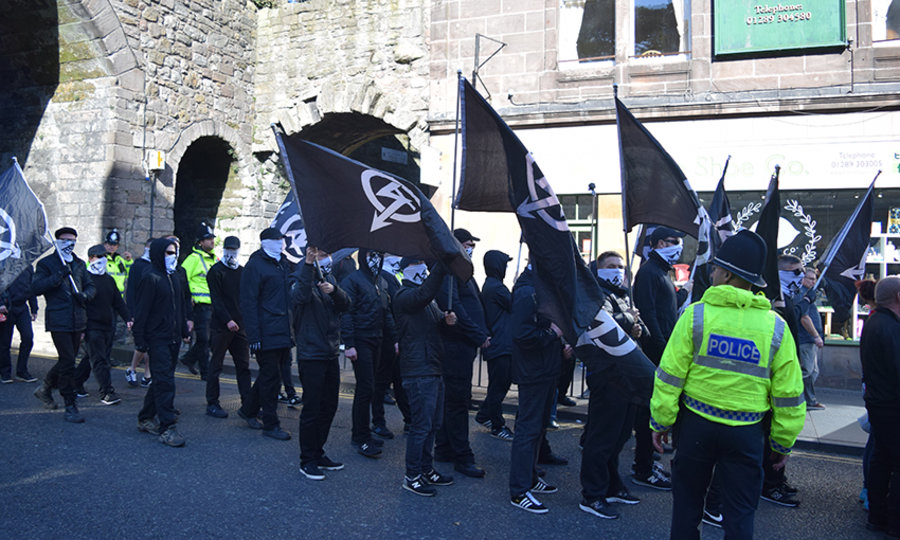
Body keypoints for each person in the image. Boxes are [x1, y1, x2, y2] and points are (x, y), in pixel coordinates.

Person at [650, 230, 805, 539]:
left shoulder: (696, 316)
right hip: (746, 433)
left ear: (728, 275)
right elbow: (789, 393)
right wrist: (782, 442)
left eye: (717, 267)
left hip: (696, 427)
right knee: (739, 514)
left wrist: (660, 421)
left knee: (687, 509)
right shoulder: (775, 326)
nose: (713, 271)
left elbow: (669, 377)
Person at [579, 250, 648, 520]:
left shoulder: (622, 293)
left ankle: (612, 485)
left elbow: (634, 327)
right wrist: (630, 319)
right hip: (608, 375)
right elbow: (599, 326)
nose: (617, 270)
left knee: (619, 436)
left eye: (620, 266)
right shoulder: (595, 293)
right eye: (611, 266)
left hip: (627, 376)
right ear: (599, 269)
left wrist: (637, 325)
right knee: (602, 437)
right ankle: (592, 494)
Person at [508, 263, 569, 514]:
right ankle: (519, 490)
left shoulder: (540, 288)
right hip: (534, 372)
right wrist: (553, 335)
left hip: (545, 369)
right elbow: (522, 334)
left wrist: (559, 341)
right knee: (528, 429)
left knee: (538, 427)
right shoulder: (527, 292)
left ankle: (531, 478)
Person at [393, 258, 456, 496]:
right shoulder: (404, 295)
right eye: (418, 263)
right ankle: (412, 475)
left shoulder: (426, 301)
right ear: (407, 269)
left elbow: (436, 323)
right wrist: (442, 264)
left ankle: (426, 468)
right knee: (421, 425)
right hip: (418, 369)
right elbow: (424, 294)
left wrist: (447, 321)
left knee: (433, 424)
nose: (423, 267)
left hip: (432, 366)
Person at [632, 226, 688, 490]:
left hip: (665, 349)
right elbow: (649, 314)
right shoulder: (648, 272)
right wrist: (662, 348)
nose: (677, 246)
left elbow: (668, 309)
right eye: (671, 241)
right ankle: (643, 468)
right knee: (647, 413)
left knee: (655, 412)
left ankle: (650, 461)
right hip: (656, 353)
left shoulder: (663, 272)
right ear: (655, 243)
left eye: (679, 242)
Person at [434, 228, 490, 478]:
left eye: (472, 246)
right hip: (455, 347)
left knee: (452, 401)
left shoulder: (463, 270)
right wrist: (478, 334)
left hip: (463, 347)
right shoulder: (449, 270)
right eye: (467, 244)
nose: (470, 249)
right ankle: (462, 456)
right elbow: (454, 305)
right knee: (457, 402)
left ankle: (445, 447)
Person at [292, 246, 351, 479]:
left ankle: (318, 452)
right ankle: (307, 459)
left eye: (327, 254)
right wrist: (308, 265)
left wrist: (334, 290)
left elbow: (346, 304)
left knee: (329, 406)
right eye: (321, 255)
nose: (326, 259)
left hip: (330, 353)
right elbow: (299, 297)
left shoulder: (330, 279)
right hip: (311, 354)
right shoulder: (301, 277)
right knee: (312, 408)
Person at [31, 227, 96, 423]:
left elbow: (91, 285)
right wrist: (58, 275)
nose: (70, 243)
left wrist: (84, 295)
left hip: (78, 318)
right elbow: (36, 287)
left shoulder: (78, 264)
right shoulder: (46, 264)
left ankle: (45, 388)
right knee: (68, 361)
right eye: (65, 240)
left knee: (67, 359)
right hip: (58, 319)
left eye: (73, 240)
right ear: (57, 241)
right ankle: (70, 403)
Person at [133, 238, 190, 447]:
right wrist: (140, 340)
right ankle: (167, 427)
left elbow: (180, 305)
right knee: (165, 382)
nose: (172, 256)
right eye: (167, 252)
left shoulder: (174, 277)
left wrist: (183, 328)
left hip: (173, 337)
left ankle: (146, 417)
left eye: (173, 252)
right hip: (157, 338)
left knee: (160, 379)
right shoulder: (151, 278)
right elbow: (142, 312)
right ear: (158, 254)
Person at [237, 227, 293, 442]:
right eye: (276, 240)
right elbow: (248, 303)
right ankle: (271, 424)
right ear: (265, 242)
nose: (281, 243)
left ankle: (248, 409)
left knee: (271, 375)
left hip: (281, 329)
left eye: (282, 240)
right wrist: (254, 336)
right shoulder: (255, 266)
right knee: (271, 378)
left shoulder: (282, 263)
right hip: (265, 330)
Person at [341, 248, 397, 451]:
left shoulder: (381, 282)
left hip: (377, 338)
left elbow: (387, 312)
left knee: (372, 387)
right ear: (363, 257)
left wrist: (395, 338)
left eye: (380, 256)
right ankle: (360, 436)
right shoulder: (352, 280)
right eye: (372, 255)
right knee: (365, 388)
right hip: (361, 339)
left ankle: (366, 432)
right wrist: (349, 344)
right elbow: (346, 312)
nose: (376, 260)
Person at [859, 276, 900, 538]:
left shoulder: (875, 321)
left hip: (878, 403)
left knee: (881, 460)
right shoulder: (891, 328)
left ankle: (877, 516)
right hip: (892, 406)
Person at [73, 244, 132, 405]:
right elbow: (79, 304)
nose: (103, 260)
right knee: (100, 360)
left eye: (104, 257)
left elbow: (118, 302)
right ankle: (106, 392)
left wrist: (128, 318)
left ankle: (76, 383)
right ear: (91, 258)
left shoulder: (108, 280)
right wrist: (81, 327)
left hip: (107, 325)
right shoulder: (84, 279)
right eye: (99, 257)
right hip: (91, 326)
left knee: (93, 357)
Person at [204, 236, 251, 418]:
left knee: (244, 366)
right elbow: (216, 300)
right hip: (221, 326)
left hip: (240, 326)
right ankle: (212, 403)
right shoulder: (215, 271)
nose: (231, 253)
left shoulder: (241, 271)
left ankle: (247, 403)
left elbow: (245, 298)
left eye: (234, 249)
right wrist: (227, 320)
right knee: (216, 365)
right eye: (229, 249)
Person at [475, 250, 515, 441]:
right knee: (498, 388)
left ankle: (484, 415)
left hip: (500, 344)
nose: (506, 268)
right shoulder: (496, 288)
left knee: (498, 385)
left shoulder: (492, 286)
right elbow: (515, 305)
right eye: (504, 264)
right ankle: (498, 425)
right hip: (501, 344)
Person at [374, 253, 411, 434]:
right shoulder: (382, 277)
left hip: (398, 337)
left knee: (400, 381)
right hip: (387, 339)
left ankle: (409, 419)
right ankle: (378, 422)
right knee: (381, 383)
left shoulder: (397, 274)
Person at [180, 221, 216, 378]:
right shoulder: (193, 258)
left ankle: (189, 359)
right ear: (200, 242)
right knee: (204, 339)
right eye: (208, 239)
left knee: (208, 340)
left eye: (212, 238)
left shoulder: (214, 259)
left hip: (212, 306)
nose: (212, 241)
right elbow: (182, 279)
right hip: (199, 306)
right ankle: (205, 371)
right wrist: (189, 300)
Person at [0, 264, 38, 383]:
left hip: (22, 307)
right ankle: (5, 372)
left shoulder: (28, 267)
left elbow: (31, 288)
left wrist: (34, 308)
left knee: (28, 338)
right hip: (7, 307)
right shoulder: (3, 264)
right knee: (5, 343)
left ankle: (22, 371)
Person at [795, 267, 826, 410]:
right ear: (803, 278)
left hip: (809, 340)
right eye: (811, 279)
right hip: (805, 338)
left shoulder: (809, 294)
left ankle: (808, 399)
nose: (814, 282)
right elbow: (804, 318)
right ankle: (801, 399)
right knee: (806, 371)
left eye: (815, 279)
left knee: (813, 371)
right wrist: (815, 336)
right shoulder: (801, 295)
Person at [125, 238, 154, 388]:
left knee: (151, 345)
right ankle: (132, 369)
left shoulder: (158, 266)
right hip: (140, 312)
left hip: (153, 312)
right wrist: (131, 314)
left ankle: (147, 374)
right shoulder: (138, 266)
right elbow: (131, 291)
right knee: (142, 345)